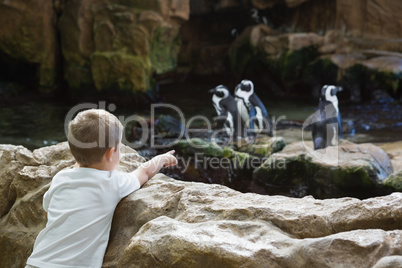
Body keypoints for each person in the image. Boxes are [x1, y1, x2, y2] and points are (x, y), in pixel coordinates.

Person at [25, 109, 177, 268]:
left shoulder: (61, 178)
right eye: (119, 148)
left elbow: (47, 212)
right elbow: (144, 172)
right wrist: (161, 159)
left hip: (37, 261)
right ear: (111, 153)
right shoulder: (112, 183)